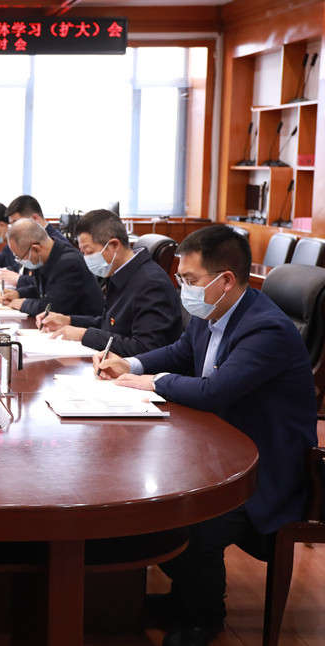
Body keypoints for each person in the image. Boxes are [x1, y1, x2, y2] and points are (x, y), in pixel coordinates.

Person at [95, 224, 318, 646]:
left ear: (226, 280)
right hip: (218, 447)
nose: (183, 288)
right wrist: (131, 364)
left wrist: (152, 382)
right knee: (148, 499)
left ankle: (205, 618)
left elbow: (215, 392)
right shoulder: (212, 313)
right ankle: (183, 599)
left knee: (193, 523)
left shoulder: (266, 329)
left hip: (264, 467)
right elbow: (181, 353)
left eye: (190, 279)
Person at [37, 209, 183, 356]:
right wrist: (69, 320)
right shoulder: (120, 272)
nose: (85, 258)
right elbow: (111, 325)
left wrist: (84, 335)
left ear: (114, 245)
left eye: (89, 252)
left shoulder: (150, 284)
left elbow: (146, 349)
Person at [0, 218, 104, 317]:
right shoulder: (47, 255)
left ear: (36, 249)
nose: (19, 261)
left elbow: (53, 307)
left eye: (19, 256)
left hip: (84, 324)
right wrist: (18, 294)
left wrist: (23, 304)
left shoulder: (69, 264)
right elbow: (46, 289)